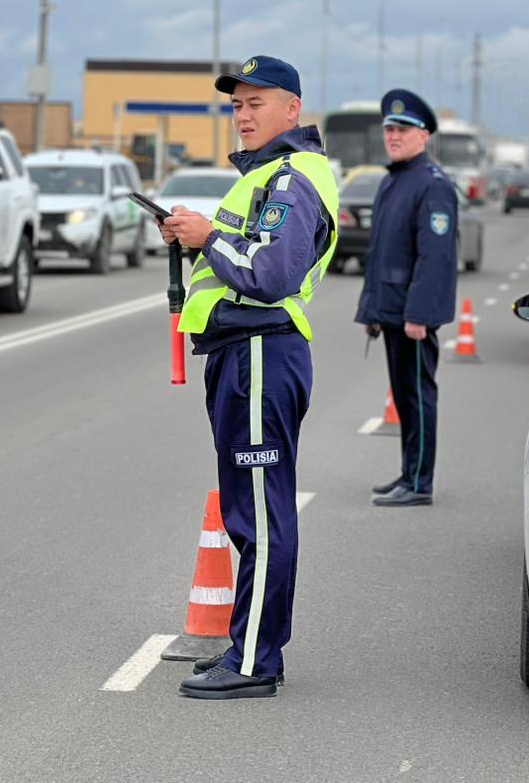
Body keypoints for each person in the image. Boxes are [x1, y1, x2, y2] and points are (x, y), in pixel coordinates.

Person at [160, 55, 338, 700]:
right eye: (237, 104)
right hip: (245, 355)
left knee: (259, 515)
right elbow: (246, 252)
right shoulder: (268, 175)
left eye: (257, 102)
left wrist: (206, 236)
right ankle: (248, 648)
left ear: (293, 108)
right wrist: (198, 235)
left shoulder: (293, 179)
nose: (243, 114)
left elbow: (269, 276)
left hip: (263, 353)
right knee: (248, 511)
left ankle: (255, 661)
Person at [355, 89, 458, 507]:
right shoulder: (392, 181)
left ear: (424, 135)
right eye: (389, 129)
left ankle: (419, 483)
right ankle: (407, 473)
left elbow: (435, 260)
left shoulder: (433, 186)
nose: (394, 136)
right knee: (403, 396)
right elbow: (380, 253)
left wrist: (418, 315)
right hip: (392, 311)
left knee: (417, 397)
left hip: (412, 317)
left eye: (403, 129)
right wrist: (371, 310)